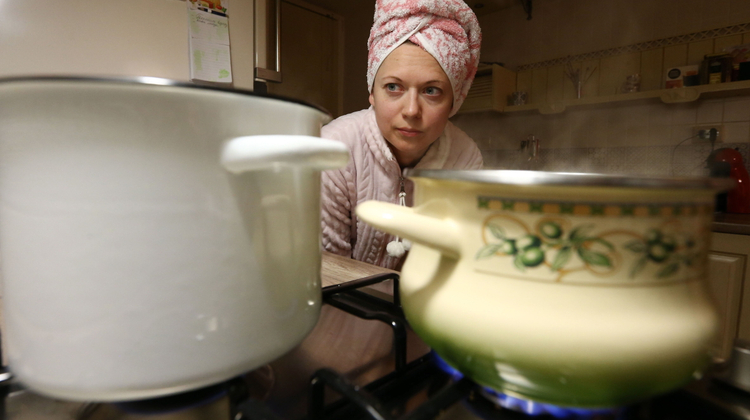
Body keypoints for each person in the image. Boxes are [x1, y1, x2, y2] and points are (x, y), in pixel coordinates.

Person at [321, 0, 483, 270]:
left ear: (454, 101)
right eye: (394, 87)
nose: (411, 110)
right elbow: (328, 272)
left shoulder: (464, 158)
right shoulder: (332, 151)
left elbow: (456, 262)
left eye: (431, 91)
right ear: (372, 92)